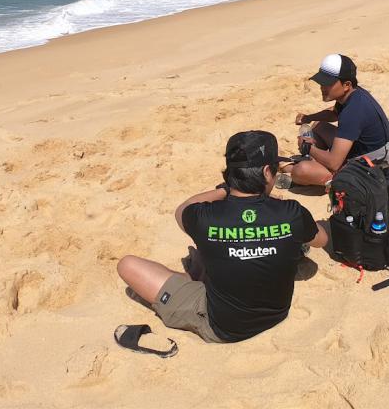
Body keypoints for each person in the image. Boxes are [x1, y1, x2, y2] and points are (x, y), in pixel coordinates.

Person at [116, 130, 328, 343]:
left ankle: (193, 279)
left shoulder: (204, 217)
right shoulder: (292, 213)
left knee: (127, 265)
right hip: (276, 314)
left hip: (223, 327)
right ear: (266, 172)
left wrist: (223, 191)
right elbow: (321, 240)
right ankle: (198, 275)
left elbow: (182, 210)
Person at [283, 53, 389, 187]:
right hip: (364, 153)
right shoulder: (355, 94)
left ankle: (330, 178)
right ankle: (314, 164)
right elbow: (334, 113)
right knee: (319, 125)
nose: (322, 87)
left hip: (373, 173)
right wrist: (309, 117)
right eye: (321, 82)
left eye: (327, 84)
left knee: (301, 171)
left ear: (346, 85)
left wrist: (307, 147)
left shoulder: (353, 112)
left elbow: (334, 163)